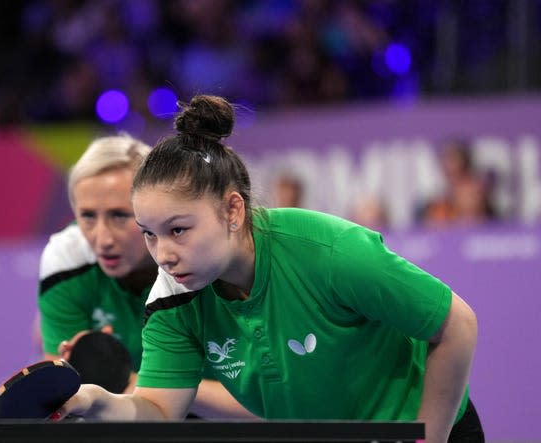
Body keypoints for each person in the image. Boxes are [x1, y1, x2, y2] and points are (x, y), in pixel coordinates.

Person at [54, 96, 483, 443]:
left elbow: (456, 325)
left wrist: (428, 438)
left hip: (428, 426)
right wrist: (97, 401)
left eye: (179, 229)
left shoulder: (329, 252)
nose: (163, 253)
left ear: (233, 210)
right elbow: (159, 408)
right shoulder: (174, 298)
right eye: (149, 233)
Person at [37, 133, 254, 418]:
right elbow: (67, 403)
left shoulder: (213, 256)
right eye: (87, 216)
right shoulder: (66, 261)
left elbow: (271, 408)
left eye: (120, 216)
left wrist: (158, 386)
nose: (102, 238)